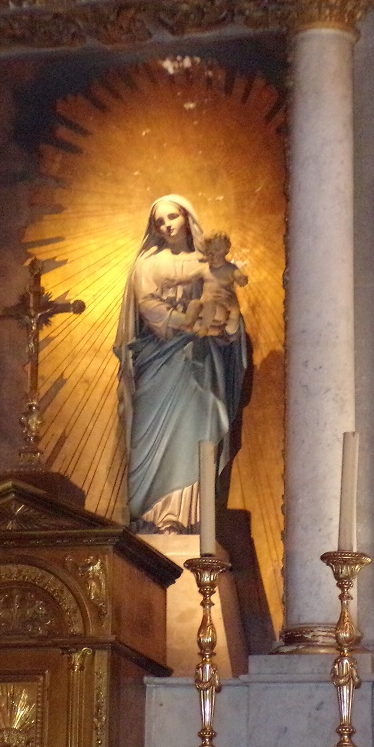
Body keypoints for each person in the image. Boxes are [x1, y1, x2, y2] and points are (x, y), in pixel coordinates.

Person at [114, 195, 248, 533]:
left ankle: (186, 520)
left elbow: (223, 300)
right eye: (159, 221)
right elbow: (148, 306)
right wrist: (183, 321)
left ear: (186, 218)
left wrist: (224, 324)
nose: (166, 225)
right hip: (158, 358)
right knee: (148, 437)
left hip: (199, 362)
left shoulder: (206, 263)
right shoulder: (148, 264)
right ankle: (150, 517)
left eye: (172, 216)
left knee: (194, 433)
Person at [183, 230, 249, 337]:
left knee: (210, 302)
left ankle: (205, 327)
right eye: (208, 252)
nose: (212, 256)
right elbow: (189, 276)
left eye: (216, 250)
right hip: (203, 311)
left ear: (226, 250)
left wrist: (242, 279)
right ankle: (188, 324)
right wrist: (176, 280)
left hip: (220, 310)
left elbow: (239, 277)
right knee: (194, 303)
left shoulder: (230, 269)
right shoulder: (205, 269)